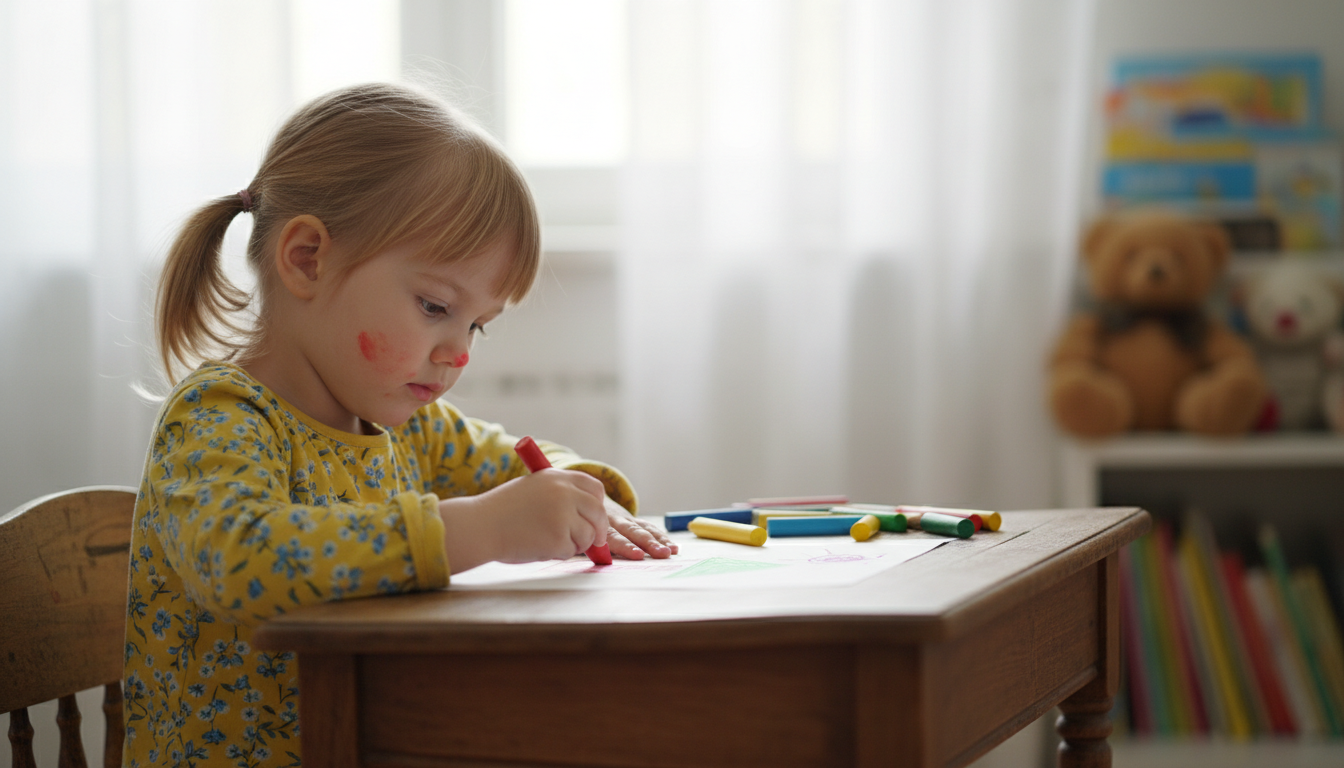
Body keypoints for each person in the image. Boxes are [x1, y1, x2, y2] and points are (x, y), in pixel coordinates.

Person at [122, 82, 676, 768]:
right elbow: (243, 561)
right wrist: (485, 527)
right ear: (307, 259)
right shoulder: (220, 418)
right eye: (436, 306)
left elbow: (503, 460)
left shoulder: (398, 420)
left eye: (477, 325)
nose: (460, 352)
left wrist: (577, 489)